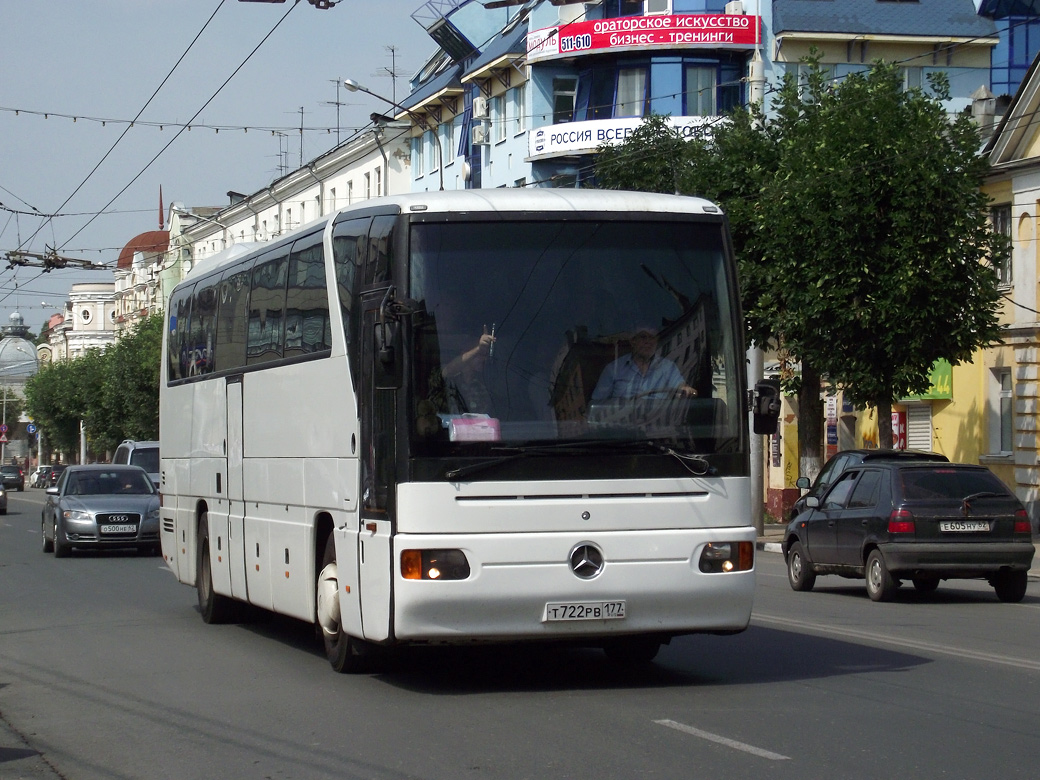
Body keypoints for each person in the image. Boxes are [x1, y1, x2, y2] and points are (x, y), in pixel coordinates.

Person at [590, 325, 695, 401]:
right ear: (633, 341)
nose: (648, 341)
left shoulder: (668, 367)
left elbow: (681, 386)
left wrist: (685, 389)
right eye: (643, 337)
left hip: (659, 427)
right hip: (622, 428)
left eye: (652, 337)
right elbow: (597, 404)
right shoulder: (613, 369)